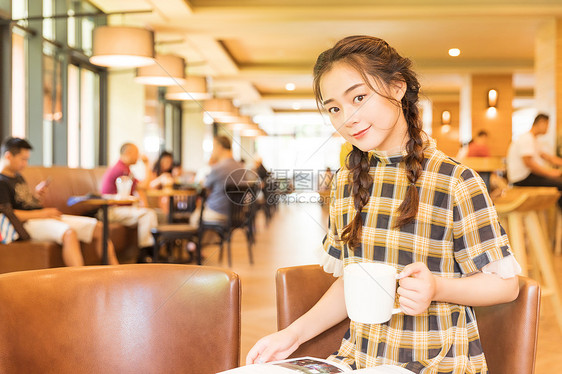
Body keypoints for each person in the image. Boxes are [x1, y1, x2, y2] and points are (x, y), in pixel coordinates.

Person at [247, 36, 520, 373]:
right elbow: (350, 281)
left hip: (435, 363)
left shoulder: (456, 181)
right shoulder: (347, 182)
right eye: (334, 108)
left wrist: (437, 287)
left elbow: (506, 285)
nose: (347, 118)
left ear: (397, 87)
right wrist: (292, 335)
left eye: (359, 98)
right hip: (358, 362)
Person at [0, 137, 119, 265]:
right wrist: (43, 214)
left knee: (99, 228)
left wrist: (37, 196)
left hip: (42, 217)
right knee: (69, 233)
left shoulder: (17, 176)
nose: (25, 164)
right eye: (23, 159)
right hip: (27, 224)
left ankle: (116, 273)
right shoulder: (2, 182)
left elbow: (25, 203)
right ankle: (79, 281)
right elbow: (9, 215)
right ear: (8, 156)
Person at [100, 143, 158, 258]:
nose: (138, 156)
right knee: (148, 215)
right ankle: (145, 254)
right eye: (136, 153)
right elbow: (144, 186)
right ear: (128, 153)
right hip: (111, 210)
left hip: (117, 209)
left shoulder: (123, 168)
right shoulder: (121, 170)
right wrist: (147, 164)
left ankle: (151, 251)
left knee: (153, 214)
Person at [507, 113, 562, 208]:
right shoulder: (526, 138)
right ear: (541, 122)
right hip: (522, 179)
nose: (548, 128)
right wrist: (550, 173)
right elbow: (528, 163)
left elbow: (549, 158)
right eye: (547, 125)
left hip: (528, 176)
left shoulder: (534, 140)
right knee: (559, 183)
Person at [190, 135, 245, 225]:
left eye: (213, 147)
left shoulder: (218, 168)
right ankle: (215, 238)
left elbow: (204, 187)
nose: (212, 151)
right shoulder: (241, 168)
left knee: (194, 218)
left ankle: (203, 239)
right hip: (237, 214)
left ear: (219, 147)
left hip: (218, 212)